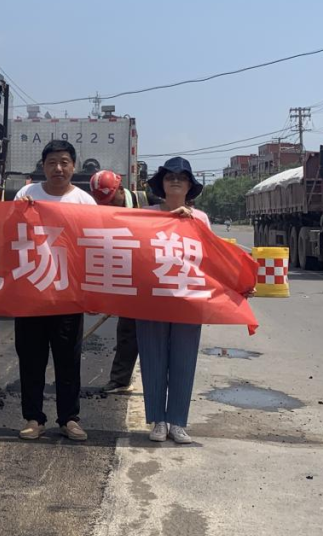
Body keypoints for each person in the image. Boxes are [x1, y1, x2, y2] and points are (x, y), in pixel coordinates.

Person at [13, 140, 97, 442]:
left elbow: (94, 247)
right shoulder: (27, 195)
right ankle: (33, 418)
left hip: (68, 293)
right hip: (31, 292)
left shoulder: (85, 202)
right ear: (43, 166)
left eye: (64, 162)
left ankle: (69, 419)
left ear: (74, 166)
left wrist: (92, 293)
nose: (58, 168)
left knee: (68, 360)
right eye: (52, 162)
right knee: (30, 359)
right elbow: (9, 234)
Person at [139, 157, 211, 445]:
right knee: (152, 358)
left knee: (184, 359)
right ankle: (158, 420)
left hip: (187, 298)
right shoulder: (145, 215)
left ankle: (178, 422)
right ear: (162, 184)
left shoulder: (200, 218)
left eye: (182, 177)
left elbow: (213, 258)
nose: (176, 180)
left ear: (190, 185)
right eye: (170, 176)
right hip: (151, 298)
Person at [89, 170, 141, 395]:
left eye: (111, 201)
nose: (108, 207)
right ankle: (120, 380)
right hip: (127, 275)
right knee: (127, 330)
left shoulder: (147, 202)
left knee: (158, 335)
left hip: (154, 276)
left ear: (121, 190)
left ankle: (164, 383)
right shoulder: (100, 213)